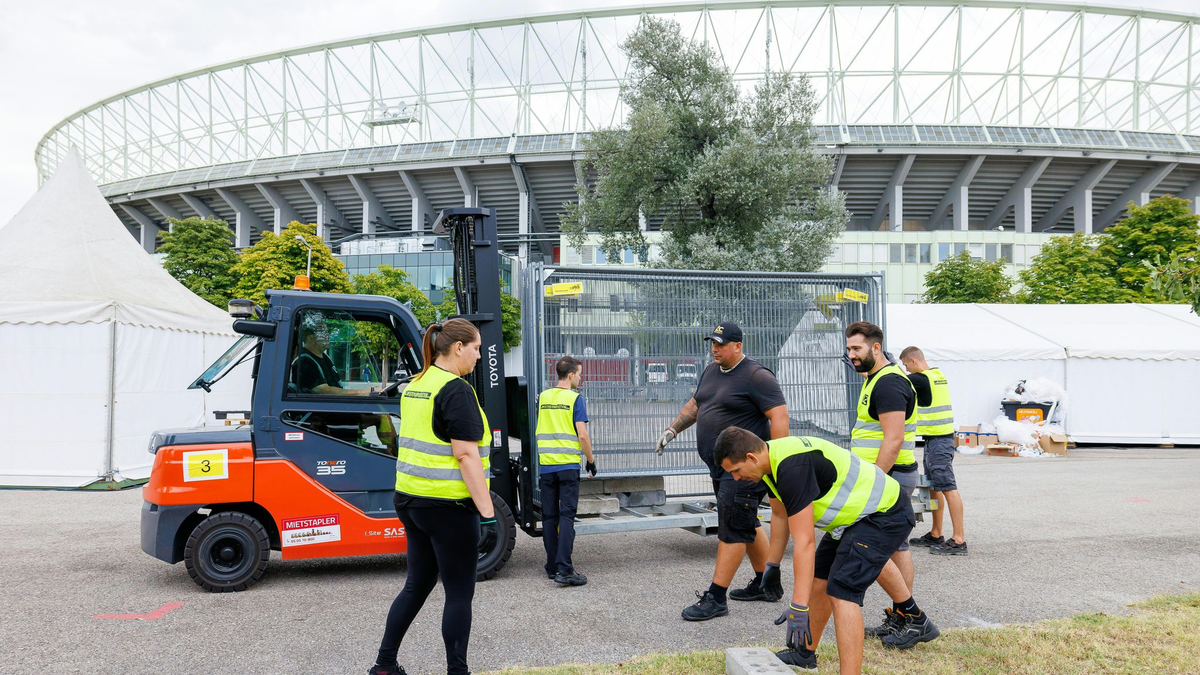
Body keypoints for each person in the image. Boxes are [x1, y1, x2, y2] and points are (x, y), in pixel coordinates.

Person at [715, 429, 937, 673]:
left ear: (751, 457)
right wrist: (772, 565)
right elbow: (779, 516)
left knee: (842, 591)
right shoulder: (770, 462)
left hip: (884, 513)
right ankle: (804, 654)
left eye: (735, 471)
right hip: (854, 518)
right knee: (820, 577)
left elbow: (805, 542)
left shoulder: (790, 468)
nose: (736, 478)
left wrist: (799, 606)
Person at [369, 318, 496, 675]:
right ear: (458, 348)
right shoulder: (456, 389)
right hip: (448, 506)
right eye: (476, 348)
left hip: (410, 499)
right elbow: (466, 454)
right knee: (458, 593)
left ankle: (384, 665)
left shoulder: (416, 384)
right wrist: (487, 512)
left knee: (417, 584)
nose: (479, 357)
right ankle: (458, 671)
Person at [656, 322, 790, 621]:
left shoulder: (757, 376)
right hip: (721, 467)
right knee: (745, 522)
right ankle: (766, 583)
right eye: (712, 343)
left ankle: (716, 597)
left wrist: (779, 460)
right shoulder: (711, 370)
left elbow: (779, 416)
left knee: (732, 528)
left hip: (745, 469)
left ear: (738, 346)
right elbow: (696, 403)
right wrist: (672, 429)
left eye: (721, 344)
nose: (714, 348)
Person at [845, 321, 939, 645]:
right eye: (848, 349)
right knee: (898, 545)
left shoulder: (887, 384)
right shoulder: (877, 378)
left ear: (875, 347)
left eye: (856, 349)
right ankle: (903, 617)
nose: (851, 355)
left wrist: (873, 482)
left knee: (870, 545)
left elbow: (894, 439)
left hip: (889, 477)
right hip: (890, 476)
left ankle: (911, 618)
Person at [900, 346, 968, 556]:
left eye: (906, 365)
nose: (906, 370)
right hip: (936, 440)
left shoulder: (921, 379)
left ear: (913, 361)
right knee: (935, 487)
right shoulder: (937, 374)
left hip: (939, 442)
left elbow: (896, 380)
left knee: (947, 486)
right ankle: (936, 532)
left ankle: (959, 539)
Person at [536, 355, 598, 587]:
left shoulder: (543, 397)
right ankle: (564, 569)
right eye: (579, 374)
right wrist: (590, 461)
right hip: (568, 467)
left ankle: (552, 566)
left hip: (547, 467)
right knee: (567, 518)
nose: (580, 379)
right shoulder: (575, 399)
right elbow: (582, 435)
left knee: (550, 517)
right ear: (570, 375)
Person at [292, 312, 376, 396]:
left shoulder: (324, 356)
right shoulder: (303, 362)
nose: (328, 336)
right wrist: (359, 392)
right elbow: (323, 390)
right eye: (323, 333)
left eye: (327, 332)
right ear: (310, 338)